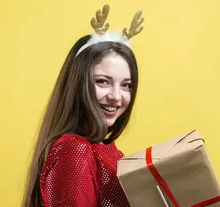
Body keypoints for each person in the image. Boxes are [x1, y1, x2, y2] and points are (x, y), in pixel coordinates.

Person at [22, 4, 145, 207]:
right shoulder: (74, 150)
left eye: (126, 85)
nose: (116, 96)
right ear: (78, 83)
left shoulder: (106, 150)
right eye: (102, 81)